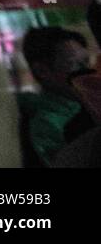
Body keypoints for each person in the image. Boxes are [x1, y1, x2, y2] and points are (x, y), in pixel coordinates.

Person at [18, 26, 96, 166]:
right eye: (74, 64)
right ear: (42, 71)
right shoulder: (48, 125)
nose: (87, 71)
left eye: (86, 62)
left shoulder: (87, 101)